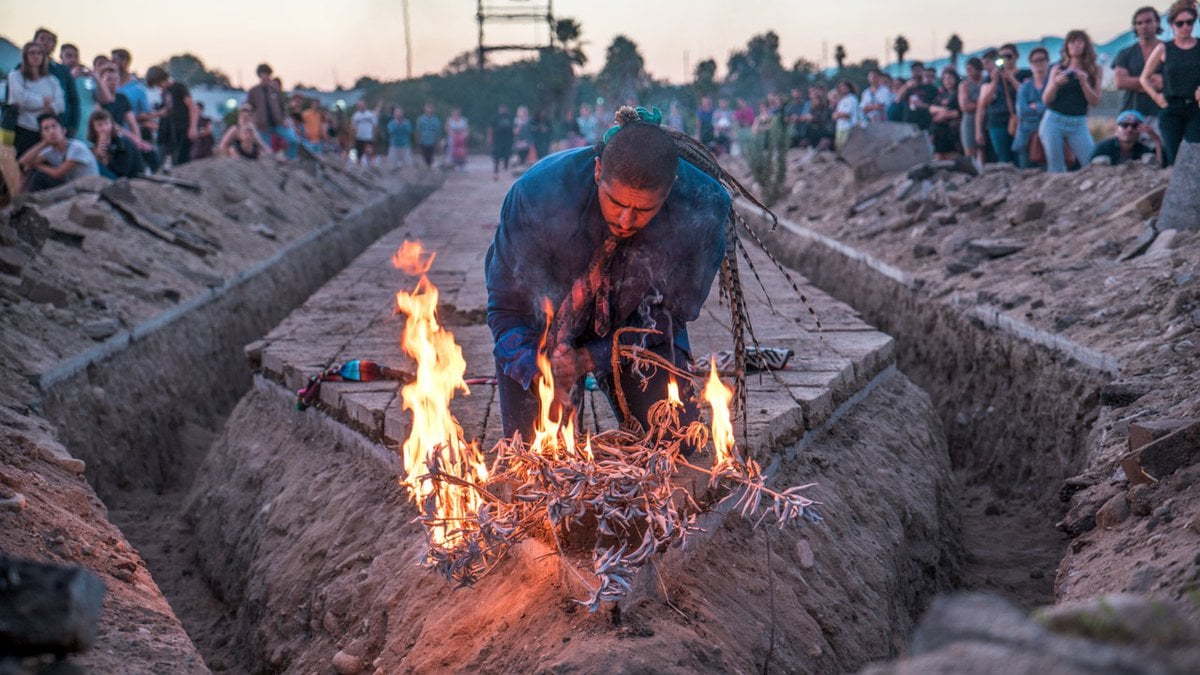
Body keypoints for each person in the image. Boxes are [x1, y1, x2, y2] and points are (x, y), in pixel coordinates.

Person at [485, 106, 730, 442]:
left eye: (644, 210)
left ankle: (610, 375)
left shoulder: (703, 207)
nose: (626, 221)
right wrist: (539, 367)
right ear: (598, 170)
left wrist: (591, 358)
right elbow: (506, 308)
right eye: (616, 203)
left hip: (634, 330)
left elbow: (672, 315)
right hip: (541, 331)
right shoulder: (536, 196)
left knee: (675, 438)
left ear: (670, 188)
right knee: (534, 454)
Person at [1141, 0, 1200, 166]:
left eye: (1189, 22)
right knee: (1173, 156)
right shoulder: (1164, 49)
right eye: (1180, 23)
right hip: (1171, 108)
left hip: (1196, 108)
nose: (1185, 27)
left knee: (1194, 152)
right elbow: (1144, 77)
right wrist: (1156, 97)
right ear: (1172, 25)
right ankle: (1174, 190)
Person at [1040, 30, 1101, 173]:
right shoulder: (1057, 68)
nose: (1076, 45)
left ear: (1086, 45)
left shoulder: (1095, 70)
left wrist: (1084, 82)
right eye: (1072, 42)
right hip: (1053, 121)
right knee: (1056, 168)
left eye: (1080, 41)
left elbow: (1095, 101)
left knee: (1092, 163)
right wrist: (1055, 83)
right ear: (1067, 46)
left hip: (1078, 123)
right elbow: (1046, 100)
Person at [7, 42, 64, 158]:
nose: (36, 56)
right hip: (23, 129)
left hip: (46, 132)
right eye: (32, 53)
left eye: (39, 53)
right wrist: (44, 102)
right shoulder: (16, 76)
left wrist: (48, 106)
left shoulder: (52, 81)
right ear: (25, 56)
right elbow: (21, 99)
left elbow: (60, 105)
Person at [18, 113, 99, 192]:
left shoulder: (77, 147)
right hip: (70, 189)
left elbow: (58, 173)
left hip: (87, 191)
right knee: (31, 172)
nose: (52, 131)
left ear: (63, 130)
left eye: (54, 126)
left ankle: (31, 203)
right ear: (42, 135)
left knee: (40, 175)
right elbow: (23, 162)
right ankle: (23, 200)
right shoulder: (50, 151)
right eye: (46, 129)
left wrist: (36, 165)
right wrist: (43, 143)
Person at [1115, 6, 1166, 129]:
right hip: (1131, 114)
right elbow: (1120, 82)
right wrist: (1148, 82)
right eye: (1139, 23)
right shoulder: (1125, 53)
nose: (1143, 26)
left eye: (1148, 21)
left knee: (1162, 148)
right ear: (1135, 27)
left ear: (1157, 23)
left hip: (1162, 112)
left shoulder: (1169, 50)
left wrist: (1165, 82)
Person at [145, 66, 198, 166]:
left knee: (182, 159)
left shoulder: (179, 87)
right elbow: (167, 110)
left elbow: (192, 107)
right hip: (174, 129)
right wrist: (152, 115)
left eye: (159, 84)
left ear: (163, 79)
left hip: (184, 127)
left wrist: (193, 127)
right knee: (175, 160)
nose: (159, 87)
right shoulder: (166, 92)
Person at [33, 28, 79, 143]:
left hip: (60, 127)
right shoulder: (22, 69)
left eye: (49, 40)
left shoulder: (62, 71)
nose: (45, 42)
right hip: (29, 128)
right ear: (34, 42)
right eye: (42, 39)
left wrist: (73, 125)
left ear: (54, 46)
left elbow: (73, 100)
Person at [977, 48, 1021, 164]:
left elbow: (1024, 93)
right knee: (1003, 157)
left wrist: (1010, 78)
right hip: (996, 122)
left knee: (1019, 156)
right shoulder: (987, 80)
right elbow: (984, 103)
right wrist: (994, 83)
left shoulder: (1021, 74)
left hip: (1017, 120)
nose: (986, 67)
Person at [245, 64, 299, 159]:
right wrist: (251, 120)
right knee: (267, 150)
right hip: (262, 126)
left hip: (278, 123)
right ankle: (270, 169)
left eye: (268, 74)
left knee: (293, 140)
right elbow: (248, 107)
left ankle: (290, 160)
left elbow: (282, 107)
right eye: (264, 74)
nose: (266, 76)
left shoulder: (275, 90)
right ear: (260, 75)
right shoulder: (253, 91)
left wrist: (285, 118)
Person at [1013, 47, 1051, 168]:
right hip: (1025, 137)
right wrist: (1043, 108)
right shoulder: (1024, 87)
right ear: (1031, 64)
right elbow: (1022, 112)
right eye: (1035, 60)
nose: (1039, 63)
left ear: (1047, 62)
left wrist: (1036, 107)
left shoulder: (1053, 85)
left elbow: (1056, 108)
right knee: (1025, 175)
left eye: (1042, 59)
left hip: (1049, 136)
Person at [1091, 110, 1162, 166]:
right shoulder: (1103, 148)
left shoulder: (1143, 151)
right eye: (1124, 125)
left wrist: (1157, 140)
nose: (1129, 129)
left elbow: (1158, 170)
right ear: (1116, 129)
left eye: (1135, 126)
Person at [87, 109, 144, 178]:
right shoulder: (94, 145)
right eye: (99, 125)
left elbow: (122, 171)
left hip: (129, 178)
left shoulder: (122, 142)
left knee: (96, 165)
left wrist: (105, 159)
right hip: (114, 176)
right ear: (93, 128)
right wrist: (97, 153)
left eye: (106, 123)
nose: (104, 128)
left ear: (112, 124)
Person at [958, 58, 985, 166]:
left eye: (970, 69)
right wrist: (981, 104)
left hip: (984, 119)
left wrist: (978, 104)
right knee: (970, 151)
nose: (968, 72)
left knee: (983, 150)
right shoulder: (964, 85)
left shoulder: (985, 82)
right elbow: (964, 106)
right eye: (967, 69)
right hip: (969, 120)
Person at [930, 69, 962, 160]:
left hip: (952, 132)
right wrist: (943, 110)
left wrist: (945, 114)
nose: (947, 81)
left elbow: (959, 112)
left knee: (953, 159)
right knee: (938, 158)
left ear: (955, 79)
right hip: (938, 134)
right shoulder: (941, 95)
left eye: (950, 78)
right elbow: (931, 108)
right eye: (945, 79)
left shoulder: (959, 93)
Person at [831, 79, 863, 150]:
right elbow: (836, 114)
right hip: (840, 127)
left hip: (849, 127)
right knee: (839, 147)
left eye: (844, 87)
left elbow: (847, 115)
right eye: (841, 87)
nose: (842, 89)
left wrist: (838, 115)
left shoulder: (852, 99)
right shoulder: (842, 100)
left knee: (846, 148)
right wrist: (837, 115)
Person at [351, 99, 381, 166]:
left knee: (370, 154)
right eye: (359, 105)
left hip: (369, 138)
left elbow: (375, 126)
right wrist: (354, 137)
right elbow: (353, 127)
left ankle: (371, 167)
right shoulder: (356, 116)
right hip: (359, 138)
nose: (361, 106)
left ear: (365, 105)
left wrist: (375, 136)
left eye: (362, 105)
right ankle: (359, 168)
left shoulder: (370, 114)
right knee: (359, 155)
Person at [488, 104, 514, 179]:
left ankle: (505, 169)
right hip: (497, 140)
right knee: (496, 156)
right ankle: (496, 171)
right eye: (501, 108)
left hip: (507, 141)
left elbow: (514, 128)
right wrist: (489, 138)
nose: (503, 110)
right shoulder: (496, 118)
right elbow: (490, 128)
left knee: (507, 155)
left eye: (504, 108)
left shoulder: (510, 118)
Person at [416, 102, 440, 168]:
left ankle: (429, 169)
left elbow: (437, 132)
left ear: (433, 110)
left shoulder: (436, 120)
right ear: (425, 110)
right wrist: (418, 142)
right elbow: (418, 131)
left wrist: (438, 144)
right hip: (423, 141)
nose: (429, 110)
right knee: (425, 157)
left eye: (431, 108)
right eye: (428, 108)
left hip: (432, 142)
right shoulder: (420, 119)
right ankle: (427, 169)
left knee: (431, 158)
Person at [445, 106, 469, 170]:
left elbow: (466, 130)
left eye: (457, 113)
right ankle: (451, 166)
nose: (456, 114)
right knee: (451, 151)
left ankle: (462, 166)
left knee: (462, 152)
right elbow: (447, 129)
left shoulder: (463, 120)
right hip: (452, 139)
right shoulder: (449, 120)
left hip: (461, 139)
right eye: (454, 113)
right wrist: (453, 135)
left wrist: (464, 136)